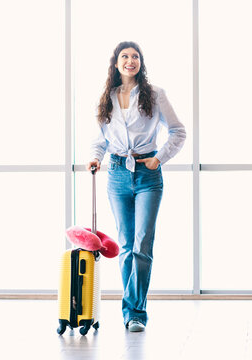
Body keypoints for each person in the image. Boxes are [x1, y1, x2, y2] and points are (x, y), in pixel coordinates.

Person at [88, 41, 186, 332]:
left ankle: (135, 313)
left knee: (143, 245)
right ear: (115, 63)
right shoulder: (107, 96)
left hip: (147, 176)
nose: (130, 61)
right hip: (117, 175)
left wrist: (159, 158)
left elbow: (178, 132)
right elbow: (101, 138)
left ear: (141, 62)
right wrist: (95, 157)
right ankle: (130, 309)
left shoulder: (155, 95)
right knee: (126, 246)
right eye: (124, 56)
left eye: (135, 56)